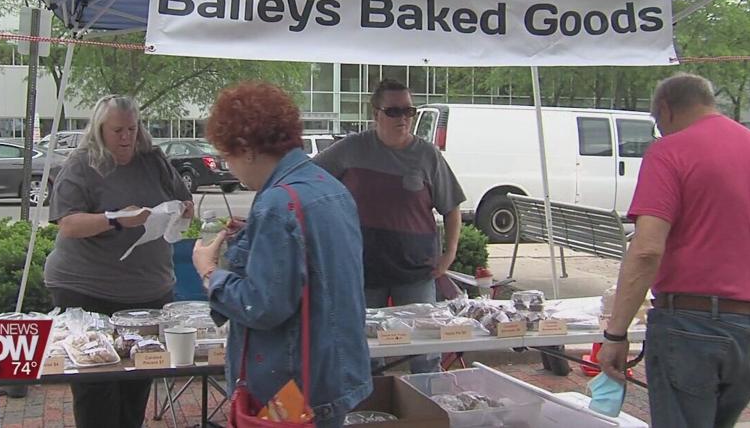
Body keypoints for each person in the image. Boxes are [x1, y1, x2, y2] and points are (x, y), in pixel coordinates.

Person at [598, 73, 750, 427]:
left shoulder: (670, 151)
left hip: (690, 327)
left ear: (664, 110)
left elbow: (646, 250)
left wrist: (616, 333)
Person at [192, 82, 372, 427]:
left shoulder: (278, 204)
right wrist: (254, 239)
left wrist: (209, 272)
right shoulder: (328, 186)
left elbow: (261, 306)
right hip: (334, 372)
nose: (228, 168)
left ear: (245, 148)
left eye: (225, 156)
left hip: (291, 384)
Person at [44, 95, 194, 428]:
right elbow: (68, 223)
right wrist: (113, 218)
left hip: (148, 291)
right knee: (98, 388)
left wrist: (184, 209)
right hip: (87, 290)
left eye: (131, 128)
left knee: (138, 380)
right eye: (117, 131)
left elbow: (182, 197)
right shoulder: (82, 163)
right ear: (99, 130)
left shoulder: (153, 159)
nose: (126, 137)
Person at [314, 78, 465, 373]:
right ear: (376, 114)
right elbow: (309, 179)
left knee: (424, 350)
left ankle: (427, 412)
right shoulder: (351, 149)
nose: (404, 118)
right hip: (363, 270)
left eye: (409, 111)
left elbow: (452, 208)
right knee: (368, 350)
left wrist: (449, 255)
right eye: (394, 111)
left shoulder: (428, 155)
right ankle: (373, 410)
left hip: (416, 270)